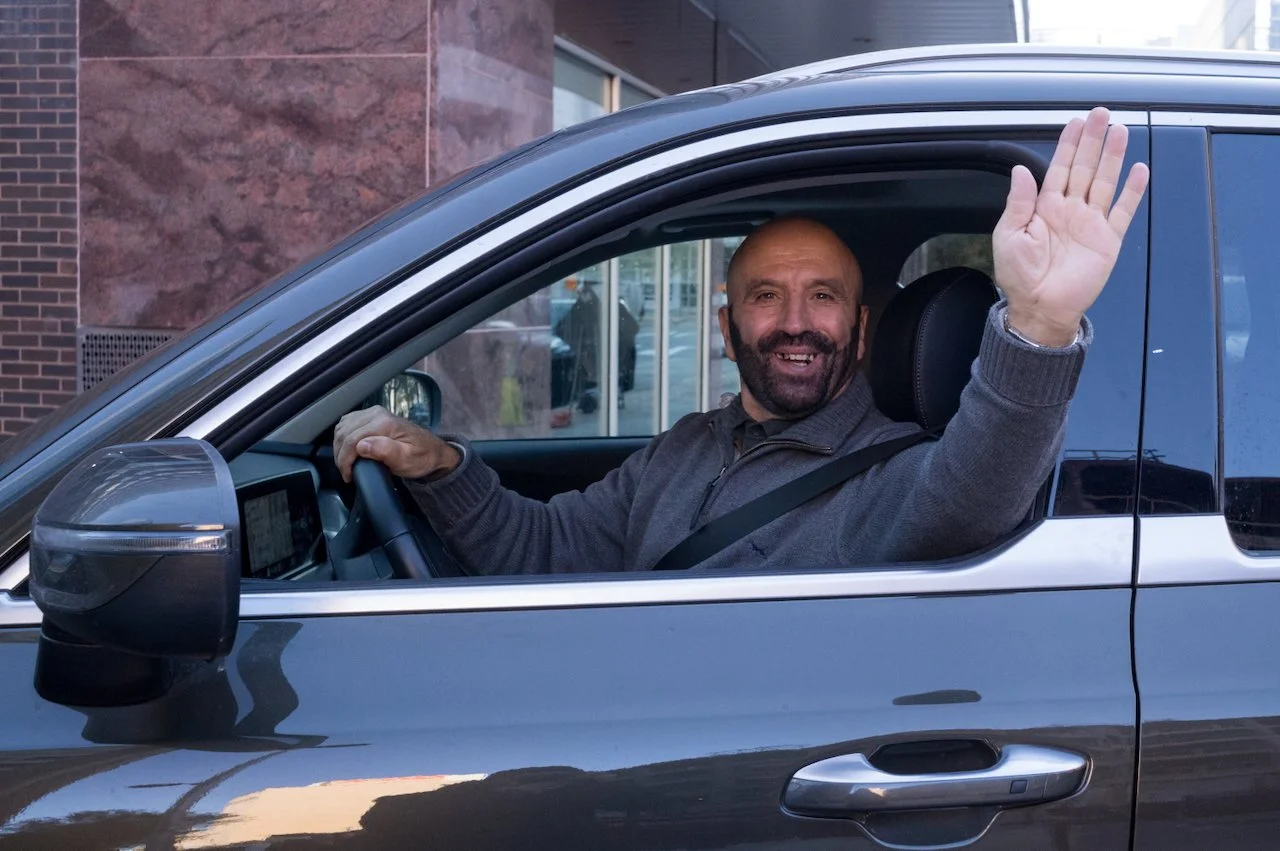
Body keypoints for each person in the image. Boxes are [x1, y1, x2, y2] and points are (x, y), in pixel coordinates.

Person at [333, 107, 1150, 574]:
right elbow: (547, 548)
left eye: (823, 297)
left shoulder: (891, 472)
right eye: (766, 296)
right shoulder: (685, 448)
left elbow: (978, 484)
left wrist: (1039, 326)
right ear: (727, 328)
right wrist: (442, 466)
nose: (796, 322)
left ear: (861, 331)